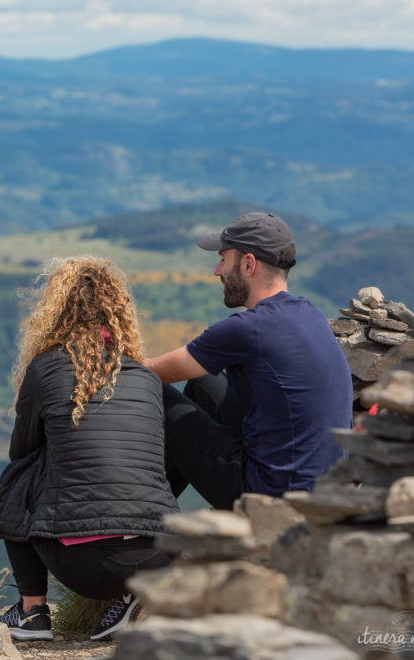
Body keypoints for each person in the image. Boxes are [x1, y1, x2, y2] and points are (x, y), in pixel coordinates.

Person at [0, 257, 177, 642]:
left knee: (19, 476)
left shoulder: (45, 368)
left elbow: (21, 450)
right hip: (162, 553)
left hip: (85, 564)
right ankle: (132, 594)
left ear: (56, 311)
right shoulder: (145, 375)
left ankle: (32, 613)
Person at [147, 212, 350, 509]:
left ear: (248, 264)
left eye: (223, 259)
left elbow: (148, 371)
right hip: (322, 489)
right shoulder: (310, 313)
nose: (217, 271)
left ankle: (142, 514)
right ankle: (156, 508)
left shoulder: (248, 328)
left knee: (153, 390)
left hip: (269, 496)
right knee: (205, 381)